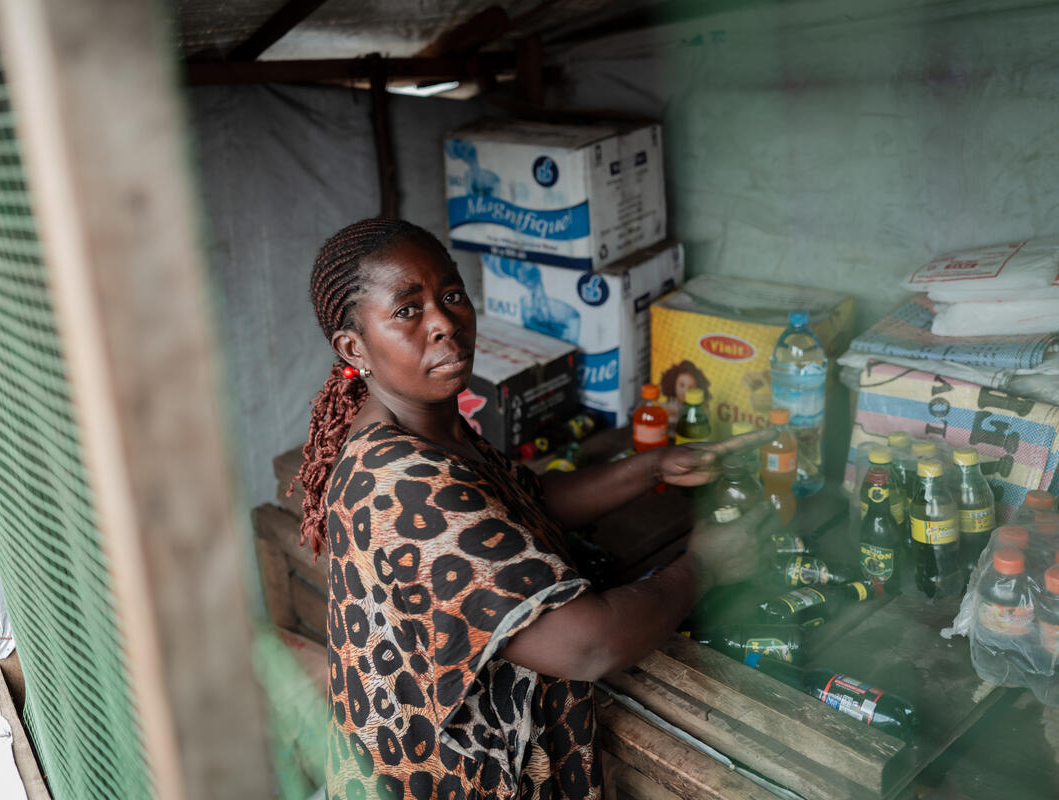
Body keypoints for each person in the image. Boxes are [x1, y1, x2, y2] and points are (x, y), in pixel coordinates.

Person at [289, 218, 768, 800]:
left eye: (451, 295)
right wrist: (709, 563)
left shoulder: (420, 423)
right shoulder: (404, 483)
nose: (444, 323)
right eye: (408, 311)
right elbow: (587, 645)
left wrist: (651, 468)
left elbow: (520, 501)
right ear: (353, 346)